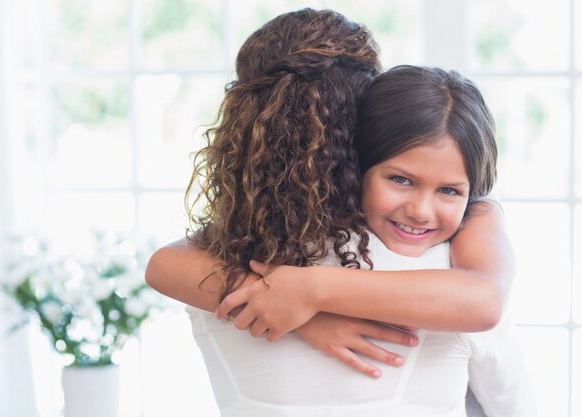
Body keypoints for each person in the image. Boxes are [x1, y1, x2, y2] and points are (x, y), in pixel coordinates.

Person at [145, 8, 526, 416]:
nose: (421, 210)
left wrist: (311, 292)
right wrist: (307, 309)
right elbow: (511, 389)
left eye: (449, 190)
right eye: (400, 179)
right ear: (356, 143)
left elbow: (161, 265)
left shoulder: (223, 264)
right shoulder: (446, 273)